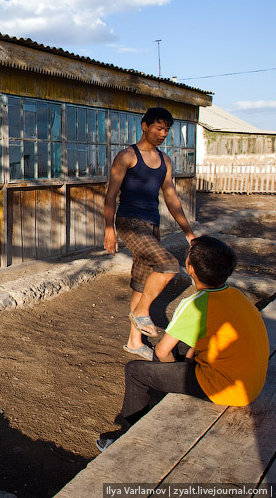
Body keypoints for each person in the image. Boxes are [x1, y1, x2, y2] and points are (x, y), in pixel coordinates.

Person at [97, 235, 269, 451]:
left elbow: (161, 351)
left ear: (191, 269)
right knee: (179, 346)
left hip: (225, 388)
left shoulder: (195, 304)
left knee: (136, 371)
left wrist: (170, 371)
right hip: (251, 385)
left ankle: (128, 440)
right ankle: (162, 395)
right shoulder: (236, 295)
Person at [103, 107, 196, 361]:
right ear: (144, 126)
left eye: (167, 129)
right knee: (167, 264)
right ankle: (142, 312)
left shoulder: (164, 160)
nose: (163, 133)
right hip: (129, 222)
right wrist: (109, 229)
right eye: (159, 128)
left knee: (141, 283)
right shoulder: (127, 156)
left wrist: (188, 232)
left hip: (152, 225)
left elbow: (171, 197)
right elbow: (111, 194)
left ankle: (134, 342)